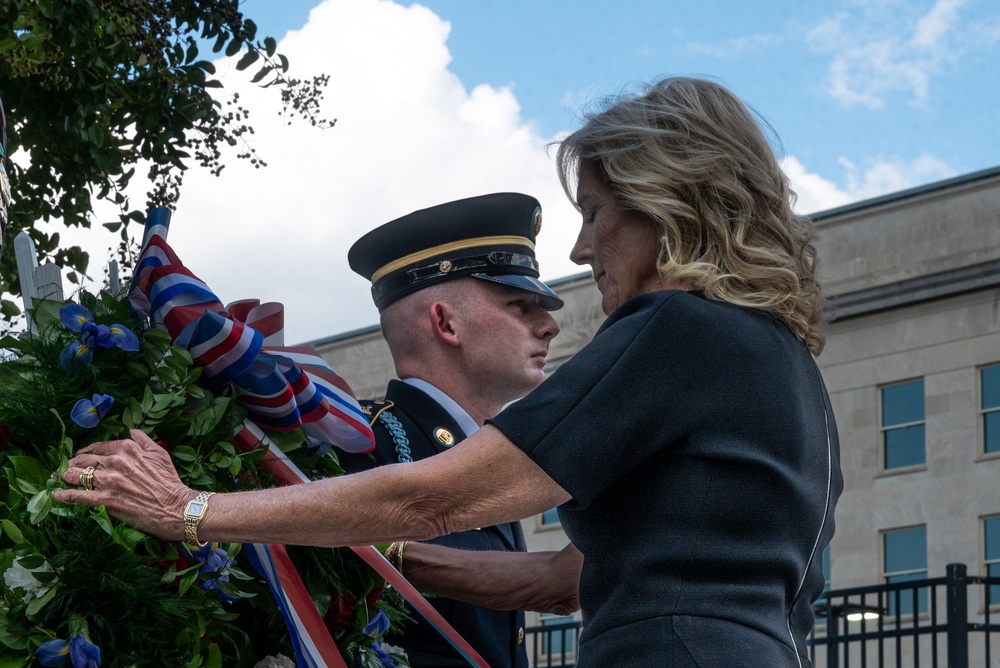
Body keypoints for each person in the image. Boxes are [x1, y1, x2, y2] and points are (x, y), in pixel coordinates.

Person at [57, 76, 843, 667]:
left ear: (666, 206)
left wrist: (189, 510)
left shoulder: (677, 327)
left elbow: (437, 496)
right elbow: (565, 578)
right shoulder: (785, 367)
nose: (579, 251)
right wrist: (365, 551)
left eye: (595, 213)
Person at [336, 192, 580, 667]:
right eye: (520, 305)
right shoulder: (361, 439)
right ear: (446, 323)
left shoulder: (487, 453)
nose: (549, 326)